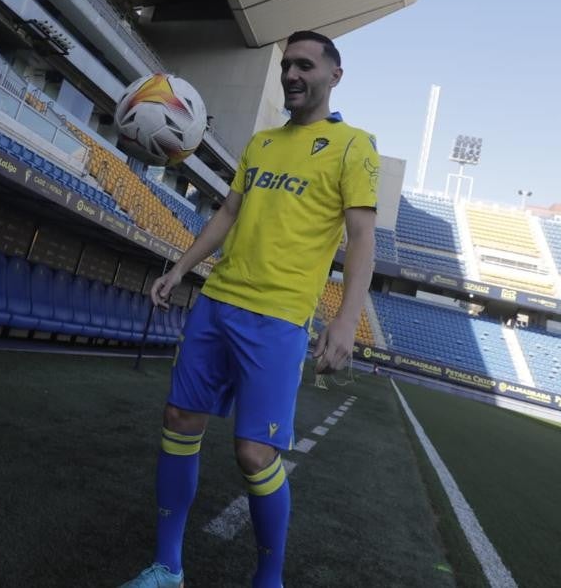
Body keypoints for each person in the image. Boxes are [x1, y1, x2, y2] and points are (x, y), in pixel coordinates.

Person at [121, 31, 379, 588]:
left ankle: (270, 580)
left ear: (335, 75)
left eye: (304, 65)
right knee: (178, 421)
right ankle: (167, 568)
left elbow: (361, 239)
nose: (291, 74)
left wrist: (344, 319)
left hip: (279, 319)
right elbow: (227, 215)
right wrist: (182, 267)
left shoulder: (355, 146)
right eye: (287, 65)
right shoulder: (261, 145)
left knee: (255, 454)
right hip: (217, 304)